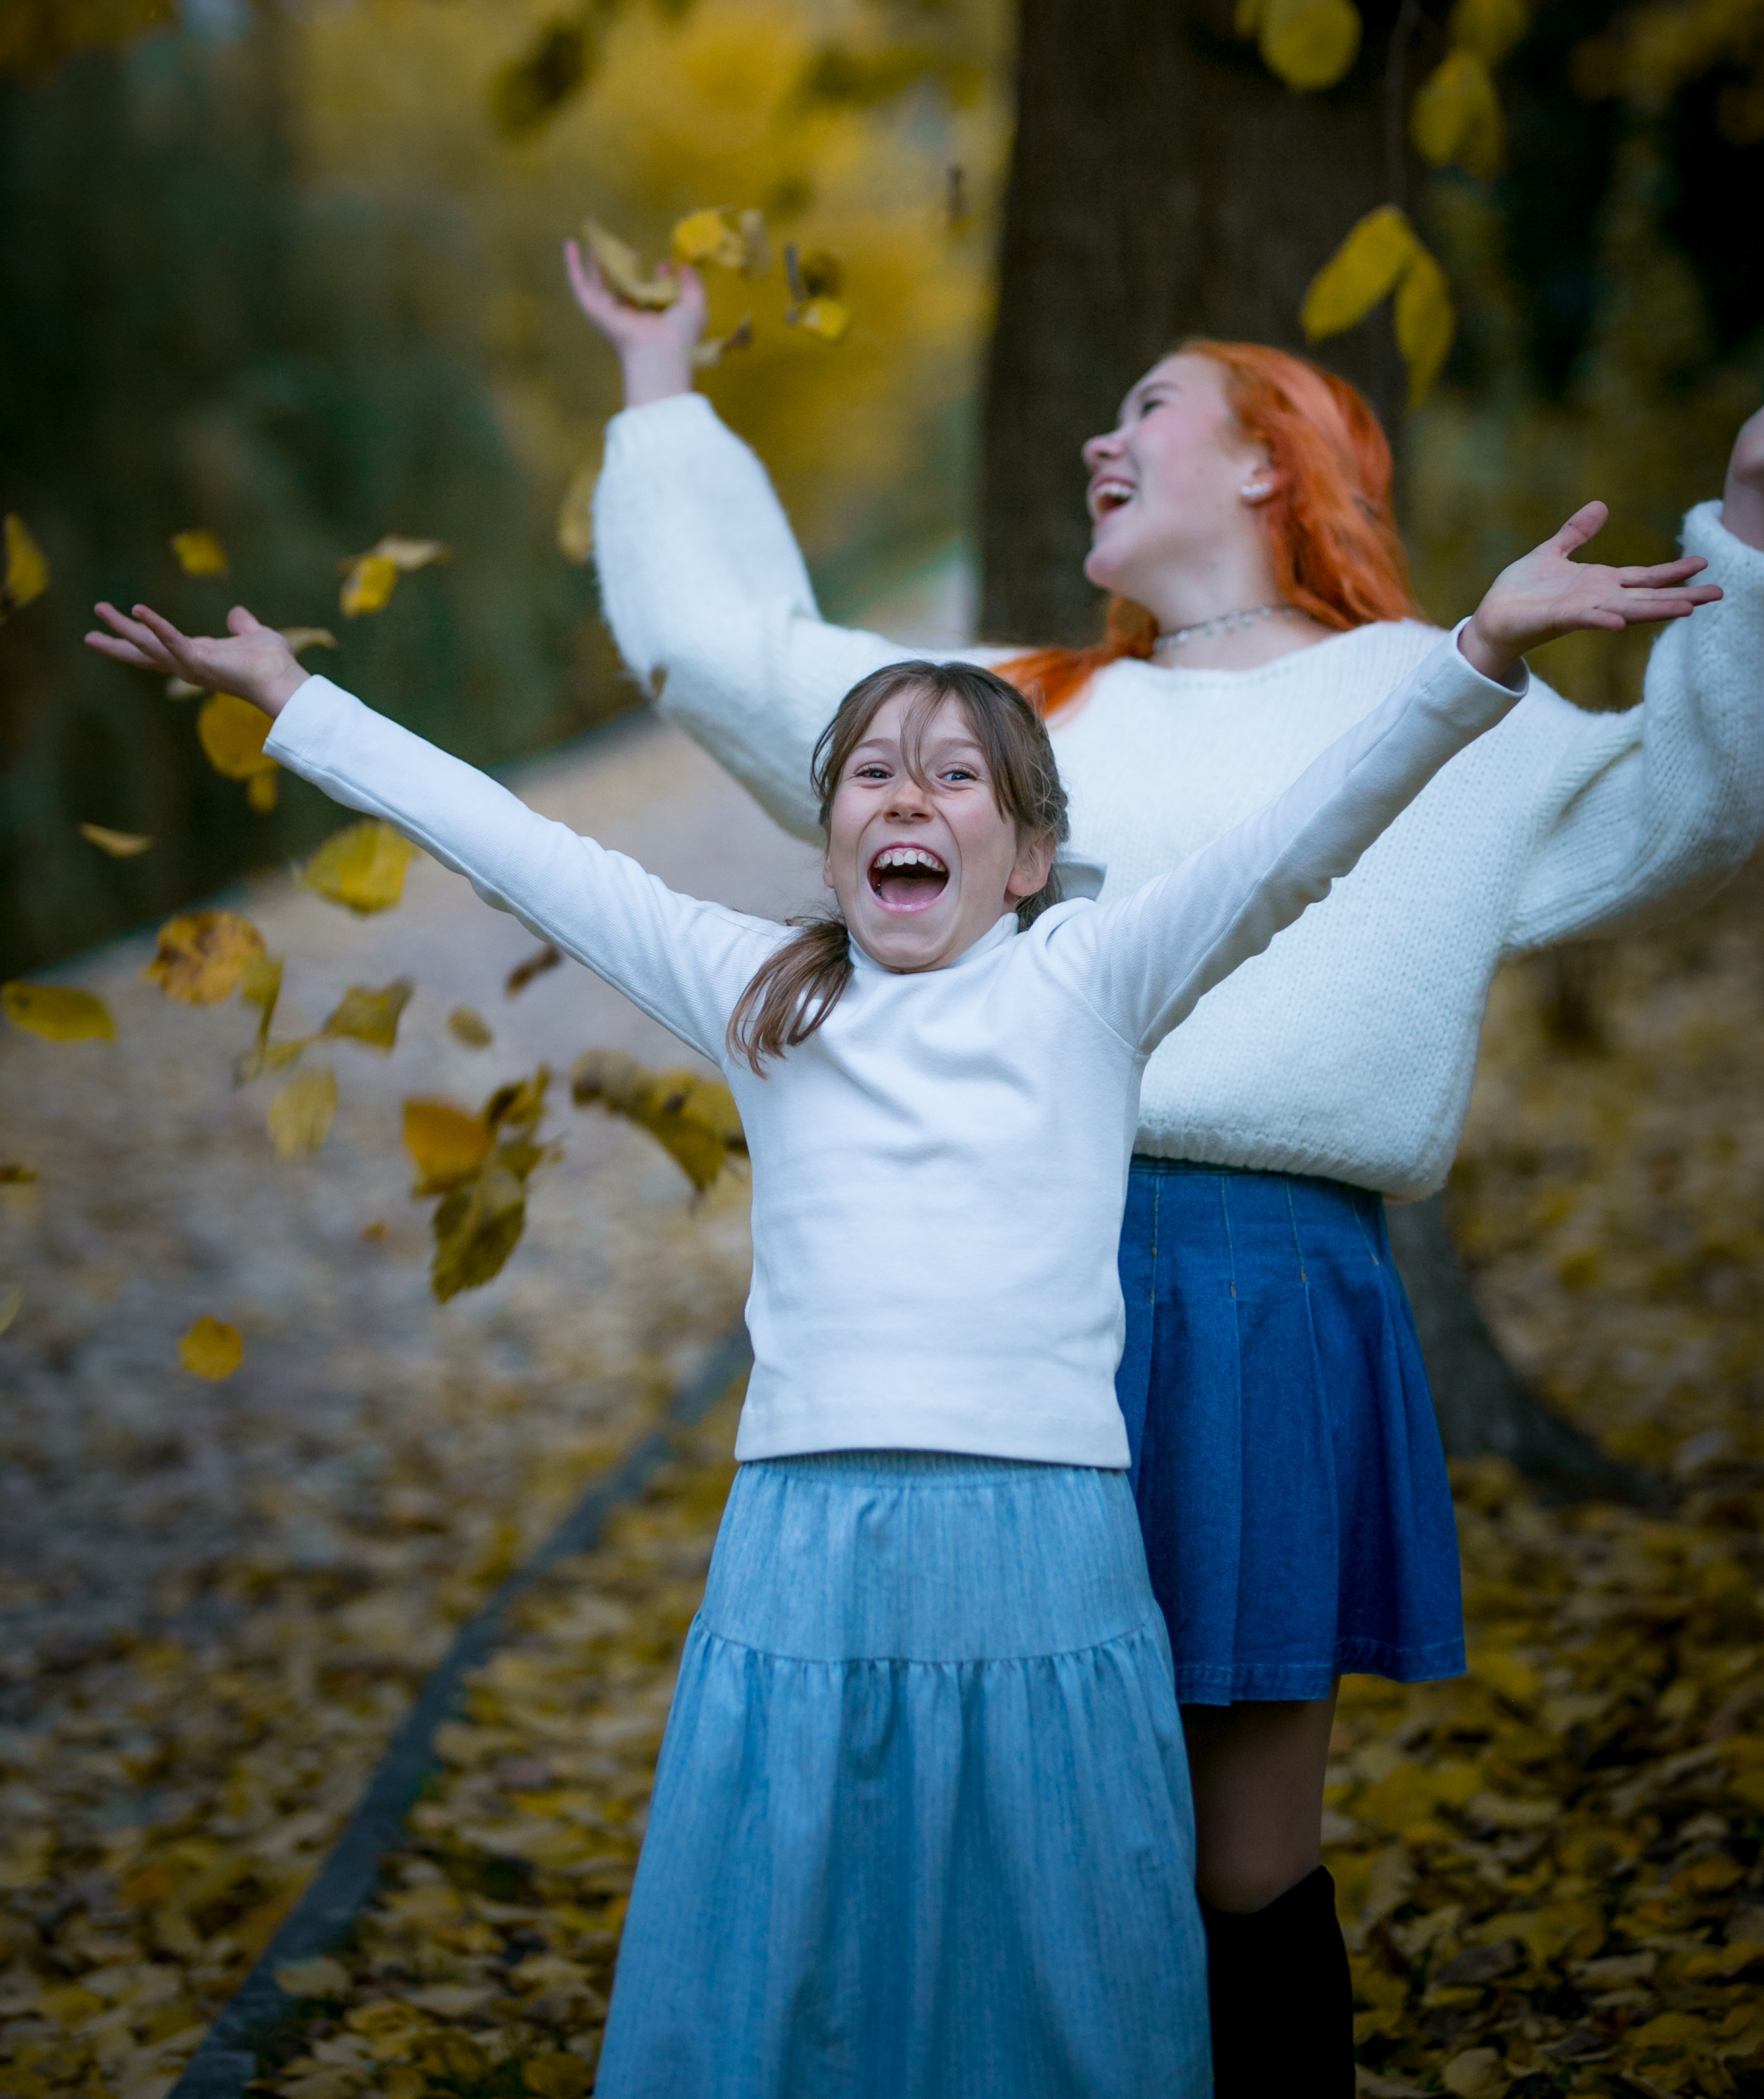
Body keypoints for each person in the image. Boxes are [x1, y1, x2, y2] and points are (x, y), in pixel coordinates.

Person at [85, 514, 1707, 2099]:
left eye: (954, 775)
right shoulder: (757, 995)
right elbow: (523, 851)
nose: (905, 796)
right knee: (792, 1926)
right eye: (870, 772)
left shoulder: (1093, 981)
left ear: (1021, 856)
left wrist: (1479, 649)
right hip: (803, 1544)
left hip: (1043, 1549)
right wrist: (299, 707)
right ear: (832, 839)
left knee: (1060, 1940)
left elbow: (1309, 831)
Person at [570, 245, 1764, 2093]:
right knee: (1004, 1838)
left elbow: (1697, 800)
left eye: (1147, 406)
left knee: (1233, 1862)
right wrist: (660, 394)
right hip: (992, 1299)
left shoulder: (1438, 698)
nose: (1095, 442)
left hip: (1261, 1306)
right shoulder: (1011, 714)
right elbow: (718, 657)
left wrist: (1748, 542)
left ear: (1277, 457)